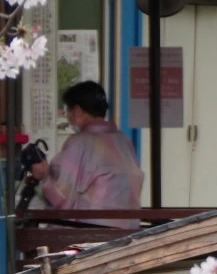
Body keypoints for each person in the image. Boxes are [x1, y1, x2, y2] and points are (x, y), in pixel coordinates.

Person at [31, 81, 143, 225]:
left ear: (78, 111)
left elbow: (61, 190)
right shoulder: (124, 142)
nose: (68, 118)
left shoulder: (80, 142)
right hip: (128, 227)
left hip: (91, 230)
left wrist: (45, 175)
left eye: (68, 111)